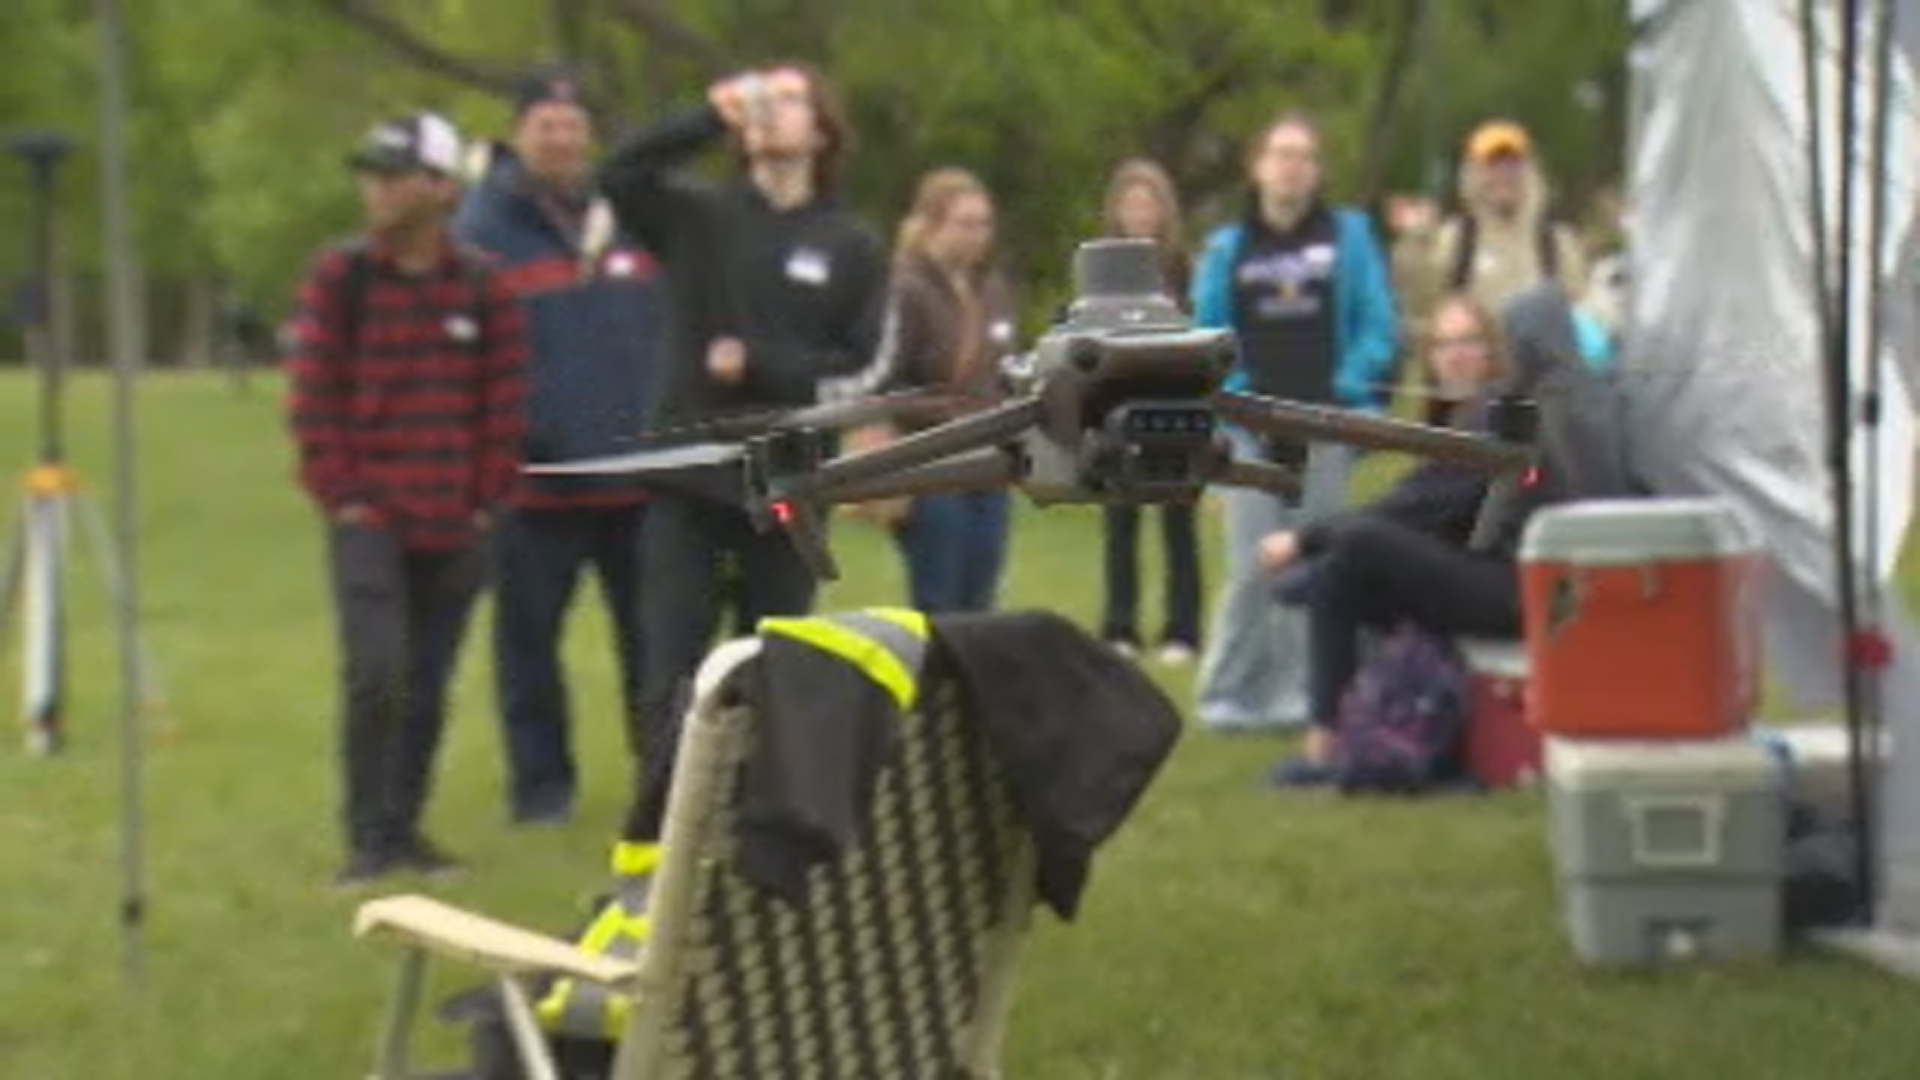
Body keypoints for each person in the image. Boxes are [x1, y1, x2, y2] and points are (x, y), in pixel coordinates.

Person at [597, 63, 889, 865]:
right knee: (673, 666)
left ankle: (762, 835)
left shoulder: (851, 244)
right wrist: (704, 114)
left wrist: (760, 363)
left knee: (775, 663)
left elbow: (861, 369)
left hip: (787, 486)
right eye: (761, 102)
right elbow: (618, 174)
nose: (770, 112)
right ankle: (660, 840)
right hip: (687, 480)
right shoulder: (700, 215)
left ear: (822, 131)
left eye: (790, 99)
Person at [284, 112, 528, 886]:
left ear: (440, 188)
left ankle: (404, 827)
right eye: (373, 175)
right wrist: (343, 495)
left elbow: (503, 402)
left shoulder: (484, 286)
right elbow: (315, 394)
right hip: (370, 515)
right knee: (376, 669)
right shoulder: (342, 276)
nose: (377, 190)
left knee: (428, 679)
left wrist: (488, 500)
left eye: (394, 175)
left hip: (456, 515)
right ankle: (366, 837)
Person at [454, 71, 663, 826]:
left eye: (573, 125)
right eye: (546, 125)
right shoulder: (484, 227)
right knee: (529, 647)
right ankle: (542, 789)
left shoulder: (627, 216)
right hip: (535, 482)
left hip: (636, 476)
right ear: (519, 135)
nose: (562, 139)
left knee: (653, 643)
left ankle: (664, 779)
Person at [1261, 292, 1560, 785]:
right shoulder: (1470, 415)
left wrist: (1304, 541)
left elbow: (1415, 506)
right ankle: (1377, 729)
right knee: (1353, 568)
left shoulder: (1499, 412)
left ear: (1492, 350)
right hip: (1485, 574)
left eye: (1468, 341)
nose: (1455, 354)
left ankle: (1328, 742)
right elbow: (1424, 507)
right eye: (1443, 345)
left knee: (1358, 546)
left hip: (1512, 587)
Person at [1189, 110, 1400, 735]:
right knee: (1253, 564)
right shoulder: (1229, 248)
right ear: (1257, 168)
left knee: (1315, 559)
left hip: (1325, 425)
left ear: (1317, 170)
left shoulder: (1349, 236)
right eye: (1281, 154)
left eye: (1304, 156)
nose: (1292, 167)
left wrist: (1346, 389)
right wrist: (1235, 394)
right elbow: (1206, 333)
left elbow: (1377, 324)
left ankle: (1311, 688)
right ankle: (1229, 692)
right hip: (1249, 428)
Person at [838, 166, 1021, 612]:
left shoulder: (992, 289)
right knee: (938, 594)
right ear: (932, 224)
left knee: (981, 589)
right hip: (932, 461)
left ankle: (972, 678)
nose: (977, 236)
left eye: (984, 224)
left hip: (990, 459)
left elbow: (1007, 366)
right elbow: (880, 377)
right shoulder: (904, 289)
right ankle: (933, 678)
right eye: (965, 224)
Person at [1095, 158, 1203, 664]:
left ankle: (1183, 628)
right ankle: (1120, 624)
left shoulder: (1184, 267)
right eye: (1131, 203)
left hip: (1175, 401)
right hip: (1117, 404)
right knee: (1121, 518)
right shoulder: (1100, 268)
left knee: (1178, 518)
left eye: (1149, 202)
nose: (1140, 212)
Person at [1389, 119, 1588, 340]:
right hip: (1474, 370)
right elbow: (1423, 309)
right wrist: (1415, 241)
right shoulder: (1454, 238)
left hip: (1542, 371)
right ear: (1473, 173)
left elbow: (1582, 320)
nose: (1503, 175)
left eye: (1513, 164)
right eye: (1492, 165)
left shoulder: (1557, 242)